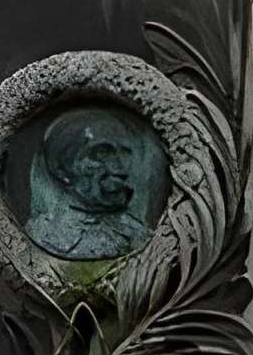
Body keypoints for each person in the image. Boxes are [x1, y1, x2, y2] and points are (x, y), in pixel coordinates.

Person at [21, 103, 161, 260]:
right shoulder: (44, 235)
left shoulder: (139, 235)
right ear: (61, 169)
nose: (121, 169)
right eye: (102, 153)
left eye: (124, 154)